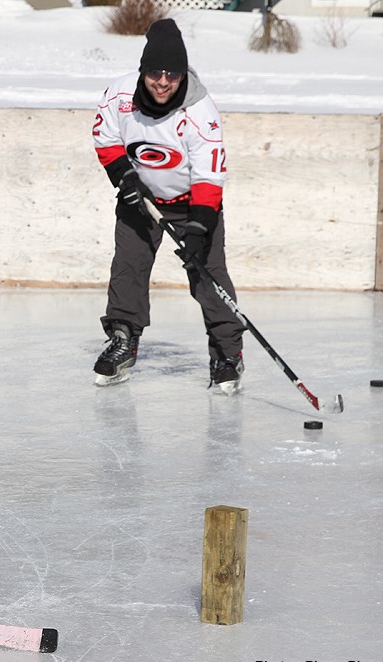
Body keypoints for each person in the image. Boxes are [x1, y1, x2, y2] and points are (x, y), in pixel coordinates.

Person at [91, 18, 245, 394]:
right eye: (155, 73)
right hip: (139, 199)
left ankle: (227, 354)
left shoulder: (200, 111)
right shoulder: (120, 95)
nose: (163, 82)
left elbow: (210, 174)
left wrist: (199, 227)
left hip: (193, 204)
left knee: (209, 277)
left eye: (172, 74)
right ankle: (123, 340)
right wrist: (124, 177)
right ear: (143, 71)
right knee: (128, 267)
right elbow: (105, 137)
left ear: (183, 74)